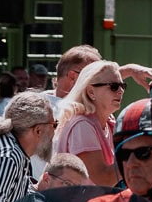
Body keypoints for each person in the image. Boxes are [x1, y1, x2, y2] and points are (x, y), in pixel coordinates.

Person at [53, 59, 133, 187]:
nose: (120, 91)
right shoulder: (82, 126)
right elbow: (102, 179)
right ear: (91, 92)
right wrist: (135, 153)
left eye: (122, 86)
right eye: (114, 86)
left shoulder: (108, 121)